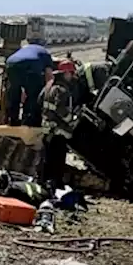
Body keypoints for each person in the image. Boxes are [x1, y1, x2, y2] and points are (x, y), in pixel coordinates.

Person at [39, 60, 86, 191]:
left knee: (47, 158)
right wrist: (72, 120)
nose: (72, 76)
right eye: (70, 73)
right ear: (65, 73)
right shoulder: (63, 90)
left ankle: (44, 183)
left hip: (47, 129)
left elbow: (39, 101)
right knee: (58, 159)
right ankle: (55, 185)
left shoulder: (49, 86)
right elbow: (61, 110)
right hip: (58, 131)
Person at [3, 33, 54, 126]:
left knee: (14, 93)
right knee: (33, 95)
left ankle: (12, 121)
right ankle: (29, 121)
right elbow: (49, 76)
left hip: (11, 63)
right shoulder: (45, 52)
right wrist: (47, 92)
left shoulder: (24, 48)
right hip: (31, 65)